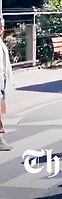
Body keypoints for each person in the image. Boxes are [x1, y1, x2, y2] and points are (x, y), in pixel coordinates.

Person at [0, 17, 13, 151]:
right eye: (0, 26)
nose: (2, 29)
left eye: (3, 26)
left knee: (1, 109)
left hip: (1, 80)